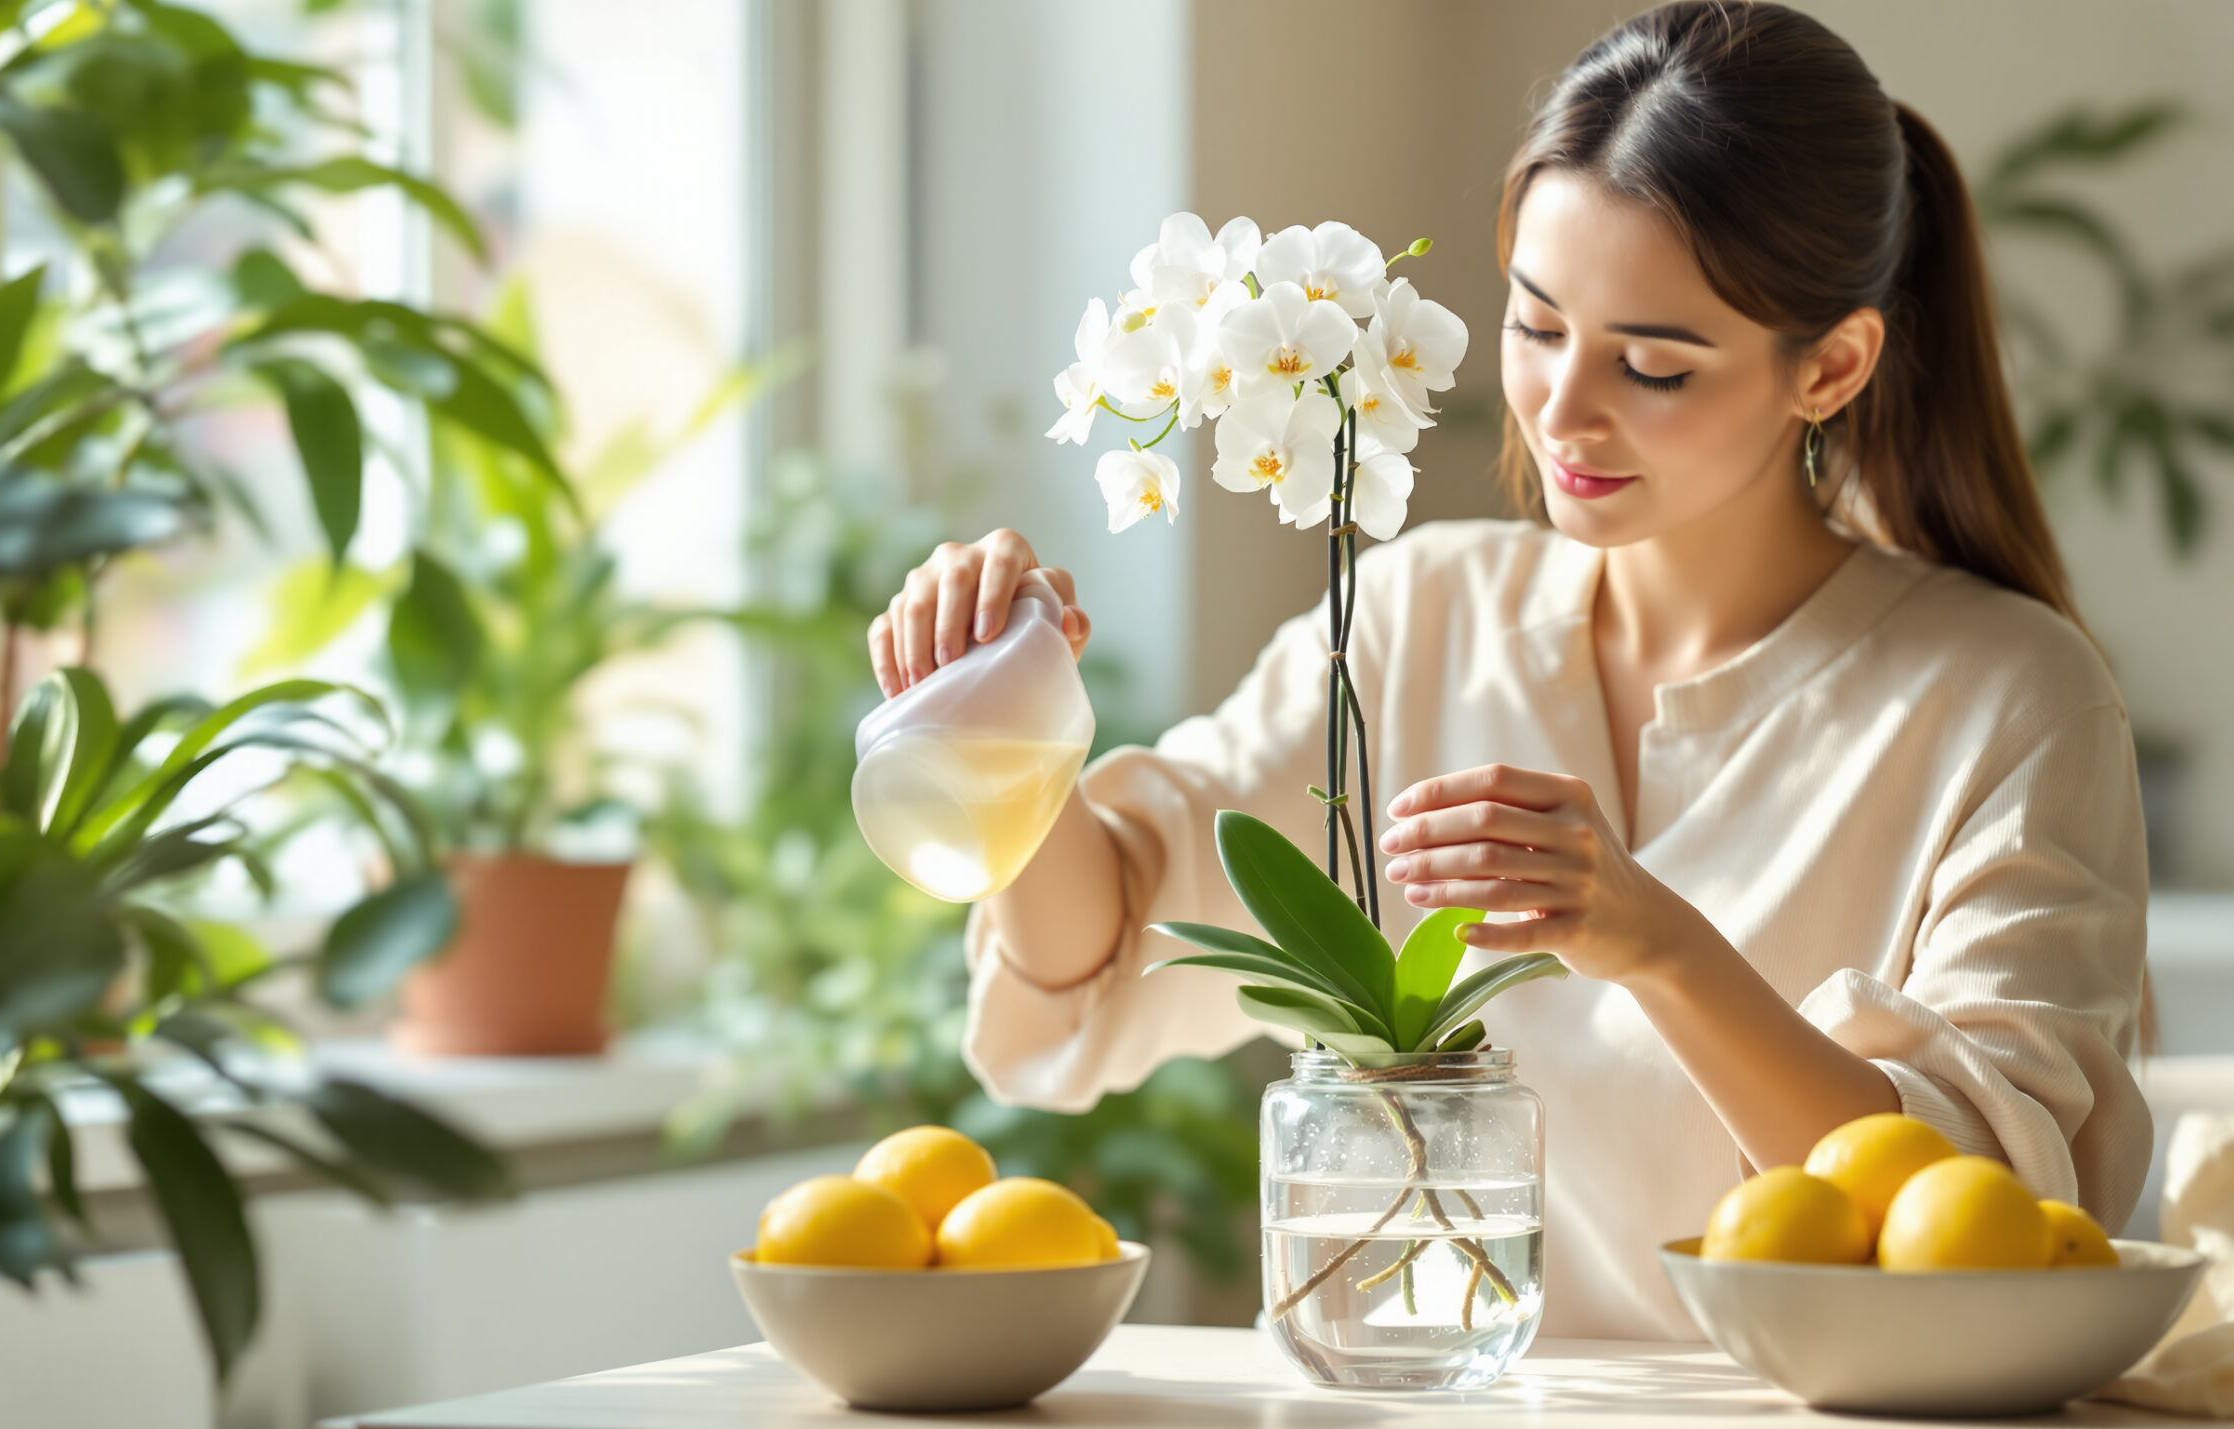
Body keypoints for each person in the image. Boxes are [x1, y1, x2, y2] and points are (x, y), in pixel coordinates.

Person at [866, 0, 2151, 1340]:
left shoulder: (2013, 697)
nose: (1562, 410)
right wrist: (1007, 729)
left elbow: (1977, 1219)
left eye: (1652, 364)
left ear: (1829, 367)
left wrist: (1656, 943)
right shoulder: (1423, 612)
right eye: (1537, 327)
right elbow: (1108, 946)